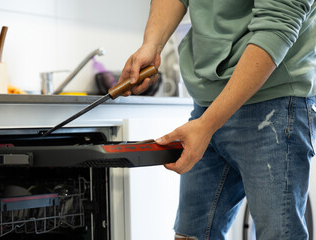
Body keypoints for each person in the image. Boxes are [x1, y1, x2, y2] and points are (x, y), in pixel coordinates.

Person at [118, 0, 316, 239]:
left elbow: (278, 25)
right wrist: (152, 44)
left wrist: (207, 125)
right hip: (205, 103)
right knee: (192, 235)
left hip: (272, 100)